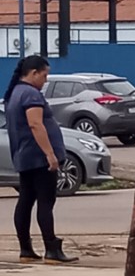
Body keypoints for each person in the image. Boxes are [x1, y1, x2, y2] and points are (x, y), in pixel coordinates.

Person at [3, 55, 78, 264]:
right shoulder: (30, 95)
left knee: (26, 200)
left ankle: (25, 249)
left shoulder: (15, 93)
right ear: (34, 73)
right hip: (38, 158)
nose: (46, 80)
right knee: (46, 202)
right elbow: (36, 125)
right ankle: (51, 249)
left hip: (24, 156)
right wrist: (50, 154)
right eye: (44, 75)